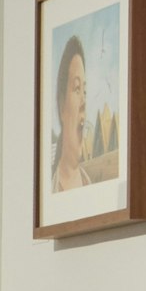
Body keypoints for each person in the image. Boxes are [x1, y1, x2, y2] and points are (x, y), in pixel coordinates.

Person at [52, 35, 89, 193]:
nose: (84, 102)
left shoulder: (89, 184)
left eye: (85, 91)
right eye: (76, 88)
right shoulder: (51, 187)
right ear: (61, 106)